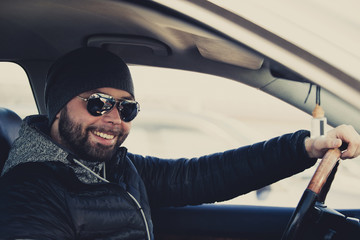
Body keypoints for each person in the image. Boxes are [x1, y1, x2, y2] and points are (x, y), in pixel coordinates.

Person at [0, 47, 359, 239]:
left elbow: (205, 175)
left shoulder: (114, 168)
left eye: (127, 108)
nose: (113, 118)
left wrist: (305, 147)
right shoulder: (28, 191)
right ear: (58, 109)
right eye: (97, 103)